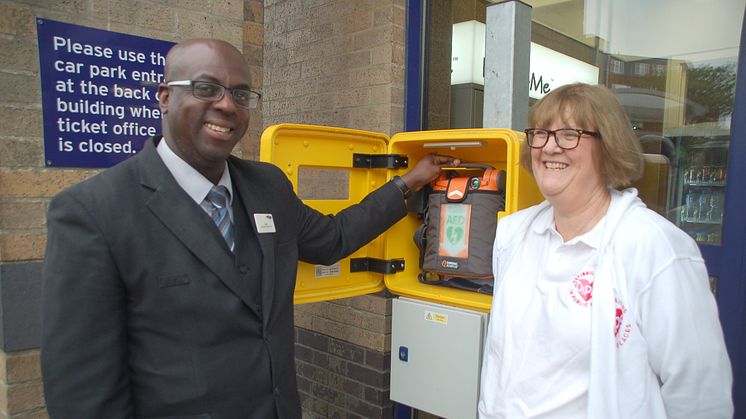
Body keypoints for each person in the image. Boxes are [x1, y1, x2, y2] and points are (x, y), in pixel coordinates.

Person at [41, 38, 458, 419]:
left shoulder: (267, 186)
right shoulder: (92, 213)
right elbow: (84, 396)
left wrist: (408, 182)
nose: (227, 105)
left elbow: (332, 240)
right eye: (206, 89)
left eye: (241, 94)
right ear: (165, 98)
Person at [477, 83, 733, 419]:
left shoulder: (653, 247)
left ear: (607, 146)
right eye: (541, 133)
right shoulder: (514, 233)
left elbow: (700, 394)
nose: (550, 147)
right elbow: (502, 363)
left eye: (569, 134)